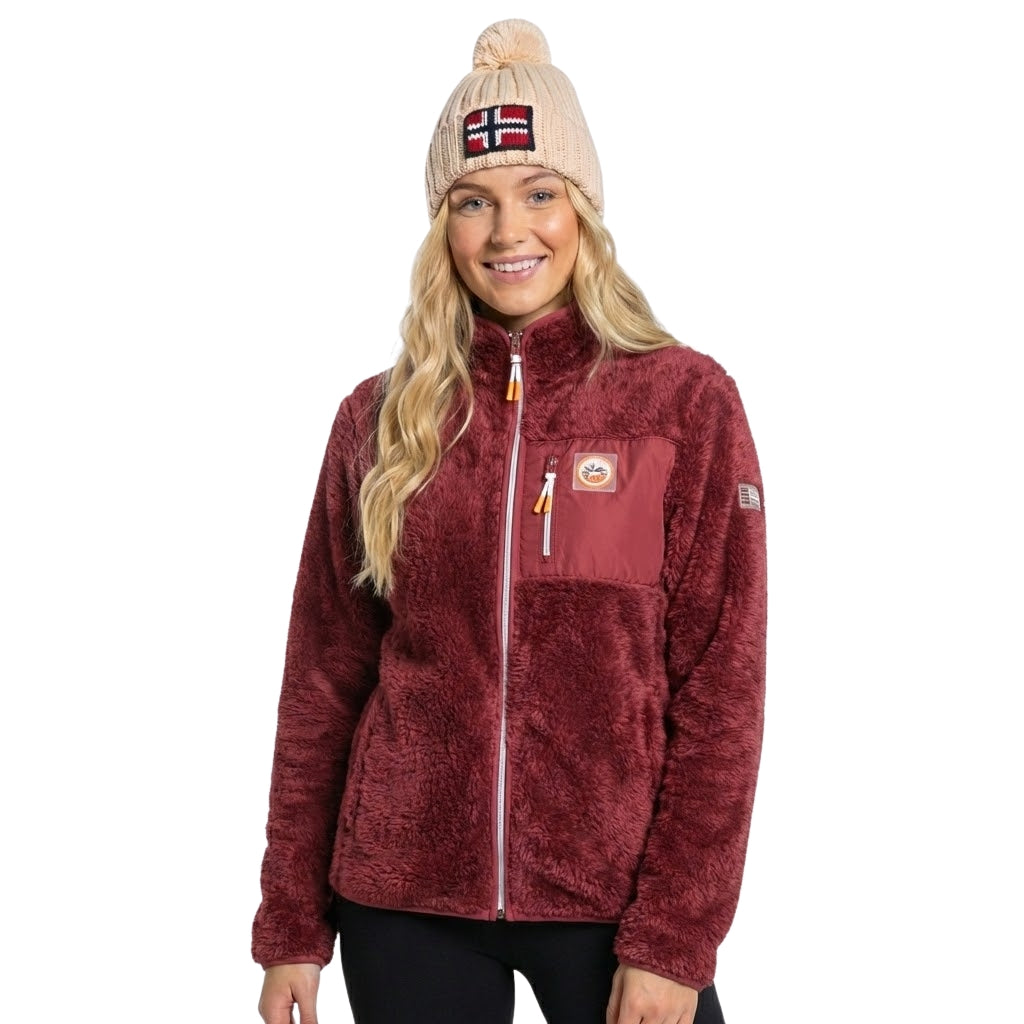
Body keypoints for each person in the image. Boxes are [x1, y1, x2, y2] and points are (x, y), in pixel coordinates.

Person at [252, 18, 766, 1024]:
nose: (507, 232)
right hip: (403, 894)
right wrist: (291, 928)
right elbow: (321, 683)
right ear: (441, 226)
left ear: (583, 210)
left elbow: (721, 691)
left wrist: (675, 938)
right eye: (473, 202)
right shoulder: (376, 418)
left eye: (539, 194)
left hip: (610, 898)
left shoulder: (683, 404)